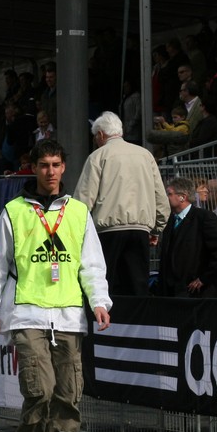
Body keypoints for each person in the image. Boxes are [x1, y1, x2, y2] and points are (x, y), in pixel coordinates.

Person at [0, 140, 112, 432]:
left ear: (64, 167)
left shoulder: (79, 212)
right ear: (34, 168)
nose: (50, 172)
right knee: (40, 391)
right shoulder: (14, 211)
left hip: (69, 317)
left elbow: (91, 265)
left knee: (68, 395)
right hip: (27, 313)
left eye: (56, 164)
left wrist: (99, 301)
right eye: (44, 165)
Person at [73, 111, 169, 297]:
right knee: (138, 288)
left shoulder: (98, 156)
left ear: (101, 134)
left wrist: (77, 232)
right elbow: (161, 199)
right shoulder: (146, 155)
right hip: (141, 230)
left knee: (106, 287)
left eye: (95, 137)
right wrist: (156, 229)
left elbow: (84, 199)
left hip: (108, 231)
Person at [155, 177, 217, 298]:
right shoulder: (170, 221)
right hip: (172, 292)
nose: (166, 198)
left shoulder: (203, 217)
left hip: (196, 293)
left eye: (169, 194)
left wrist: (205, 278)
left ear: (182, 197)